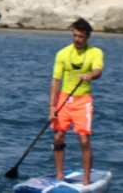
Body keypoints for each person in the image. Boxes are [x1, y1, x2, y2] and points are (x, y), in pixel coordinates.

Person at [49, 18, 104, 185]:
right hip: (64, 99)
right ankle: (59, 175)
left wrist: (90, 76)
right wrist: (52, 106)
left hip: (83, 100)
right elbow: (55, 81)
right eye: (75, 36)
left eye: (80, 36)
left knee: (84, 140)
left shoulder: (95, 52)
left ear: (87, 37)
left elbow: (98, 70)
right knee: (58, 137)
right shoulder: (63, 53)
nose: (77, 39)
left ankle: (86, 180)